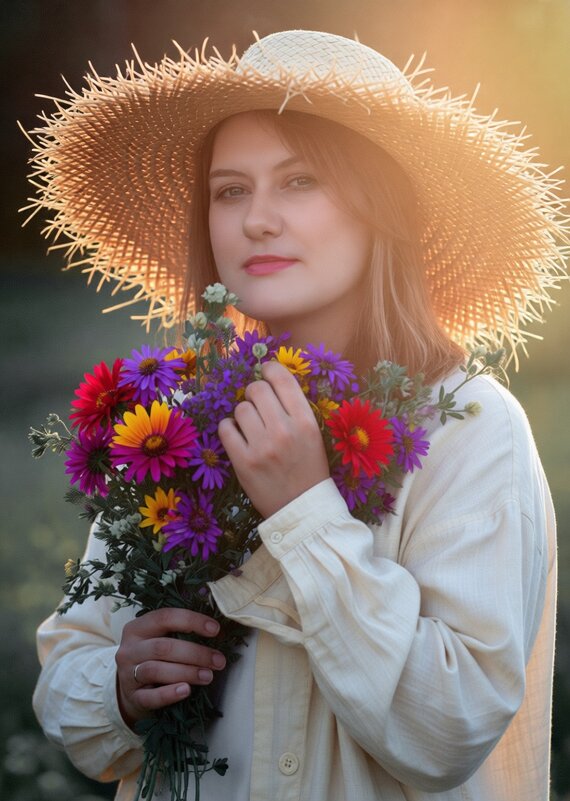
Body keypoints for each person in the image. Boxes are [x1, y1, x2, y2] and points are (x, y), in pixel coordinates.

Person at [27, 29, 566, 801]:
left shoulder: (470, 428)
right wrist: (119, 685)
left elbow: (449, 727)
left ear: (381, 208)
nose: (256, 220)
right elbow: (64, 681)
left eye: (301, 180)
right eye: (230, 190)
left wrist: (305, 512)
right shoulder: (175, 426)